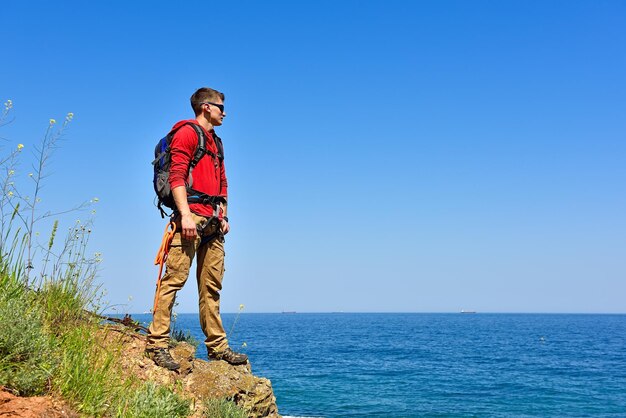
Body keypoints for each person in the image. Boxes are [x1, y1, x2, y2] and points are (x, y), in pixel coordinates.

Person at [145, 87, 248, 370]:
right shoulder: (187, 133)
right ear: (206, 107)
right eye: (220, 107)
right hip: (190, 220)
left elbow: (222, 182)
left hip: (213, 223)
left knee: (211, 287)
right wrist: (185, 215)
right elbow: (177, 175)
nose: (224, 112)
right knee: (174, 280)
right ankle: (157, 344)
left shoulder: (217, 142)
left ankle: (218, 348)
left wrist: (223, 213)